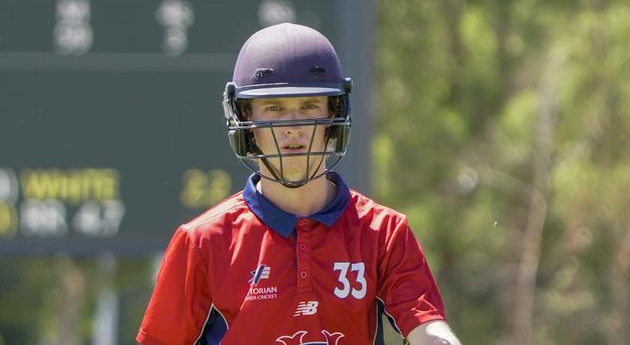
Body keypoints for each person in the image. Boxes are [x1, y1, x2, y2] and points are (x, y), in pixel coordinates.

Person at [136, 22, 461, 345]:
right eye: (274, 108)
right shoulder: (202, 243)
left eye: (309, 106)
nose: (293, 127)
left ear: (334, 116)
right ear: (247, 122)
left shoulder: (385, 233)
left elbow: (427, 327)